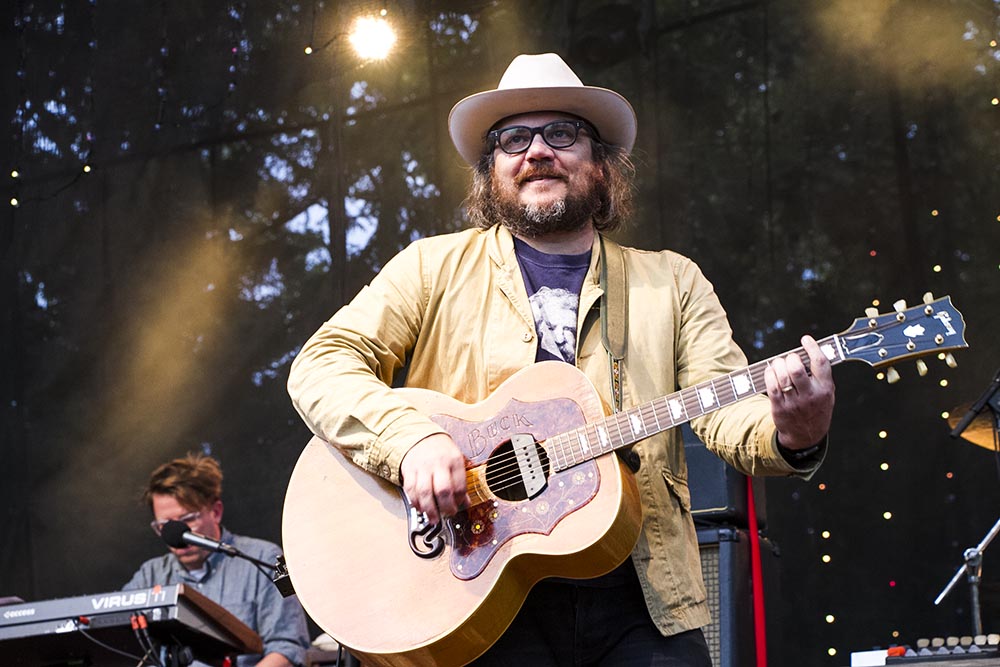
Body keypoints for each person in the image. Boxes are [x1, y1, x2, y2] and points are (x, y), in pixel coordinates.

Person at [287, 53, 835, 666]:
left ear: (600, 162)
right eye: (513, 138)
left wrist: (794, 431)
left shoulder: (672, 281)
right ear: (491, 169)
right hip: (471, 591)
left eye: (562, 134)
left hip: (643, 597)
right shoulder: (431, 267)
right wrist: (411, 442)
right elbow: (321, 363)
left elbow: (723, 413)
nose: (537, 151)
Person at [123, 453, 310, 667]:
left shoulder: (265, 558)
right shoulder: (150, 574)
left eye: (188, 519)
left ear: (216, 511)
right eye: (165, 525)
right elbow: (114, 635)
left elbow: (288, 646)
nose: (177, 533)